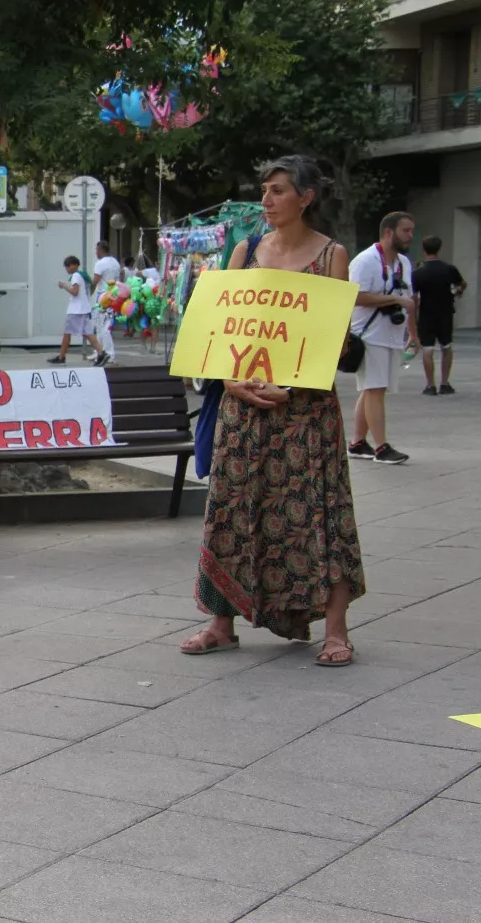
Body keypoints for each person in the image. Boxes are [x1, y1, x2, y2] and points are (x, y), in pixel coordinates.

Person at [180, 156, 364, 667]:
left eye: (278, 190)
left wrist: (292, 387)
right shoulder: (246, 250)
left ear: (305, 198)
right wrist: (231, 380)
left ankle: (335, 630)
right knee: (232, 508)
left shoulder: (331, 256)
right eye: (264, 189)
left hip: (304, 409)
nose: (266, 199)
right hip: (244, 405)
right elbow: (221, 327)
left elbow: (332, 339)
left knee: (319, 514)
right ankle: (221, 621)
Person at [347, 212, 418, 464]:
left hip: (392, 334)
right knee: (374, 389)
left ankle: (356, 443)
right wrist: (394, 299)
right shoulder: (365, 261)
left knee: (373, 389)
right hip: (369, 335)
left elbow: (410, 299)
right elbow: (355, 296)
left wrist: (414, 333)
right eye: (406, 231)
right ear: (389, 232)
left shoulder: (404, 263)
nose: (411, 236)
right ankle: (381, 447)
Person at [412, 235, 466, 396]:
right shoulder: (449, 269)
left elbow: (414, 297)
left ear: (424, 249)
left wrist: (413, 318)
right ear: (439, 248)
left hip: (427, 315)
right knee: (446, 347)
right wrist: (457, 292)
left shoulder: (418, 273)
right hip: (445, 313)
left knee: (428, 349)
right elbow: (462, 284)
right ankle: (444, 383)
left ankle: (430, 385)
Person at [49, 256, 106, 366]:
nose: (67, 269)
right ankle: (102, 353)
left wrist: (64, 285)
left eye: (68, 266)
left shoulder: (75, 276)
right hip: (84, 309)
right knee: (88, 333)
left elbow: (75, 292)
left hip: (76, 310)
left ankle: (61, 357)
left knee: (67, 333)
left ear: (74, 265)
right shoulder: (83, 276)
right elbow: (90, 289)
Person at [90, 240, 121, 364]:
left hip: (103, 296)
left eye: (96, 250)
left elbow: (95, 280)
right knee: (100, 325)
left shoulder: (100, 264)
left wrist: (89, 294)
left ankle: (109, 353)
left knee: (104, 327)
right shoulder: (115, 263)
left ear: (100, 250)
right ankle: (99, 351)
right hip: (113, 295)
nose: (96, 252)